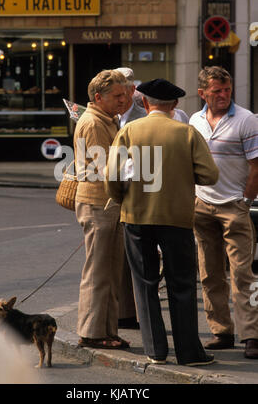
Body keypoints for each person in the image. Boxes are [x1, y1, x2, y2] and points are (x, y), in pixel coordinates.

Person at [105, 78, 219, 366]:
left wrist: (123, 198)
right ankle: (189, 353)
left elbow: (112, 177)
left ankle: (155, 351)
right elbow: (210, 176)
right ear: (175, 105)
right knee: (181, 284)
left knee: (145, 283)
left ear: (144, 103)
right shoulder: (187, 133)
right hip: (177, 218)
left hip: (137, 216)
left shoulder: (129, 131)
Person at [189, 66, 258, 358]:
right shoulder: (194, 121)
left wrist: (245, 200)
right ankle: (221, 331)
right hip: (201, 205)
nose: (223, 95)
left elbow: (256, 166)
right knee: (209, 273)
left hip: (233, 205)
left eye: (227, 89)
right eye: (217, 91)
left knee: (243, 273)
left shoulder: (247, 120)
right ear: (202, 93)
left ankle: (252, 335)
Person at [74, 69, 130, 349]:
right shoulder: (95, 122)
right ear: (99, 97)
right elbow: (104, 167)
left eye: (125, 94)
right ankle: (93, 333)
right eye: (117, 95)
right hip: (99, 203)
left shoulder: (106, 118)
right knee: (99, 271)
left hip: (106, 203)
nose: (124, 99)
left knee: (109, 270)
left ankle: (105, 330)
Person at [115, 67, 146, 329]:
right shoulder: (108, 115)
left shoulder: (141, 117)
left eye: (122, 93)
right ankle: (123, 312)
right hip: (114, 192)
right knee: (118, 258)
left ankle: (137, 315)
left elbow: (141, 162)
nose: (119, 99)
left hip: (132, 192)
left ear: (132, 91)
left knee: (136, 258)